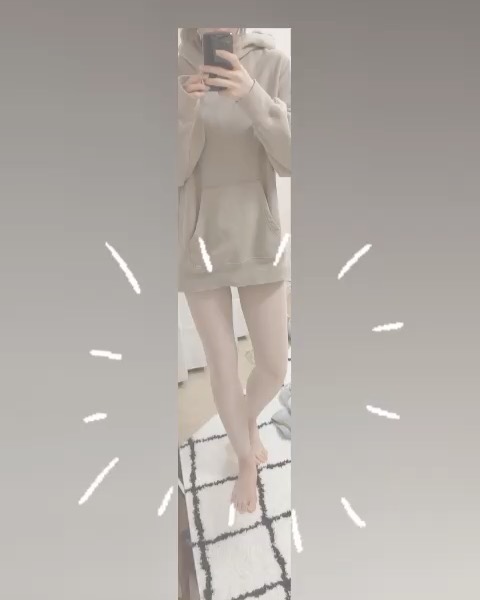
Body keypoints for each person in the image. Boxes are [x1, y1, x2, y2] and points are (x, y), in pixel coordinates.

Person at [178, 27, 291, 513]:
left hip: (259, 235)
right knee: (222, 364)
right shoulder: (174, 69)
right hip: (197, 240)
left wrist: (253, 97)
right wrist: (183, 110)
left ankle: (243, 425)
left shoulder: (273, 64)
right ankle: (245, 457)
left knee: (274, 365)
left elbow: (291, 160)